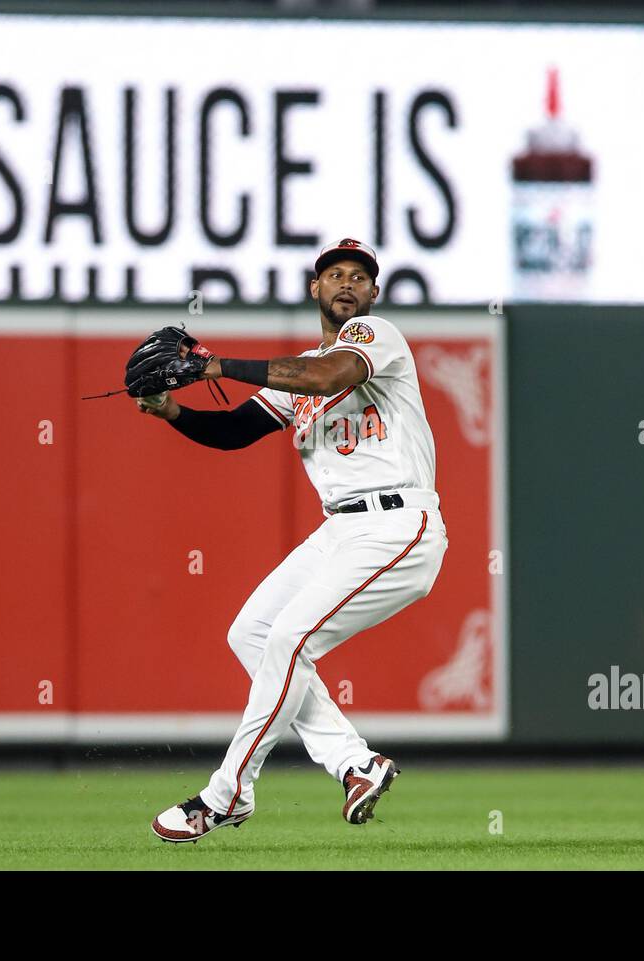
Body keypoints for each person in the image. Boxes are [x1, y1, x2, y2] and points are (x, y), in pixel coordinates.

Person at [137, 238, 449, 843]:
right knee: (251, 632)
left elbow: (328, 374)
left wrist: (215, 366)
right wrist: (170, 410)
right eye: (335, 274)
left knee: (290, 636)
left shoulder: (376, 337)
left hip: (397, 521)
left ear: (375, 293)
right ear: (315, 288)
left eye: (360, 276)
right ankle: (356, 764)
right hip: (342, 527)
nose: (347, 284)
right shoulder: (296, 371)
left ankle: (225, 795)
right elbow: (234, 432)